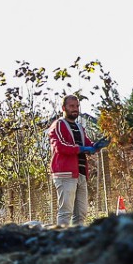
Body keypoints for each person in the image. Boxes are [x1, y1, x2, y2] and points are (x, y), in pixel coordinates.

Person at [46, 93, 106, 224]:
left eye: (77, 106)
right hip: (65, 173)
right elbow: (60, 147)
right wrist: (81, 149)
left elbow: (87, 144)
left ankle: (77, 241)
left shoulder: (79, 127)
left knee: (81, 213)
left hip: (81, 173)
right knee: (66, 212)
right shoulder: (58, 125)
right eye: (71, 106)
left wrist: (96, 146)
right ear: (63, 108)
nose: (75, 109)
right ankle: (61, 240)